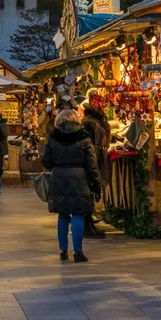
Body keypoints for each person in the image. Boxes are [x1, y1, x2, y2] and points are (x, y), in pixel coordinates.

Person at [42, 109, 102, 262]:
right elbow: (92, 165)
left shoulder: (52, 138)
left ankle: (63, 250)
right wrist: (96, 184)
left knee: (62, 215)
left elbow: (46, 161)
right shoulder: (84, 138)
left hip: (59, 178)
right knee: (77, 214)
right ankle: (78, 252)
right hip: (79, 179)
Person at [81, 103, 111, 239]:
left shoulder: (93, 123)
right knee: (90, 190)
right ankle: (87, 225)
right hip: (91, 160)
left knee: (92, 190)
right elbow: (90, 144)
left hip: (94, 159)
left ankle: (89, 222)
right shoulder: (89, 124)